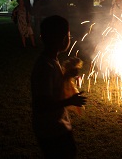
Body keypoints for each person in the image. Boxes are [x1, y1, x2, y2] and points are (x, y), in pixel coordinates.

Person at [31, 15, 87, 159]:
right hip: (51, 130)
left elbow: (53, 87)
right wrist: (70, 101)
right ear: (62, 39)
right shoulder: (46, 67)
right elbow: (41, 104)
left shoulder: (51, 61)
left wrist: (67, 75)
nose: (69, 38)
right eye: (68, 34)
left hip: (55, 126)